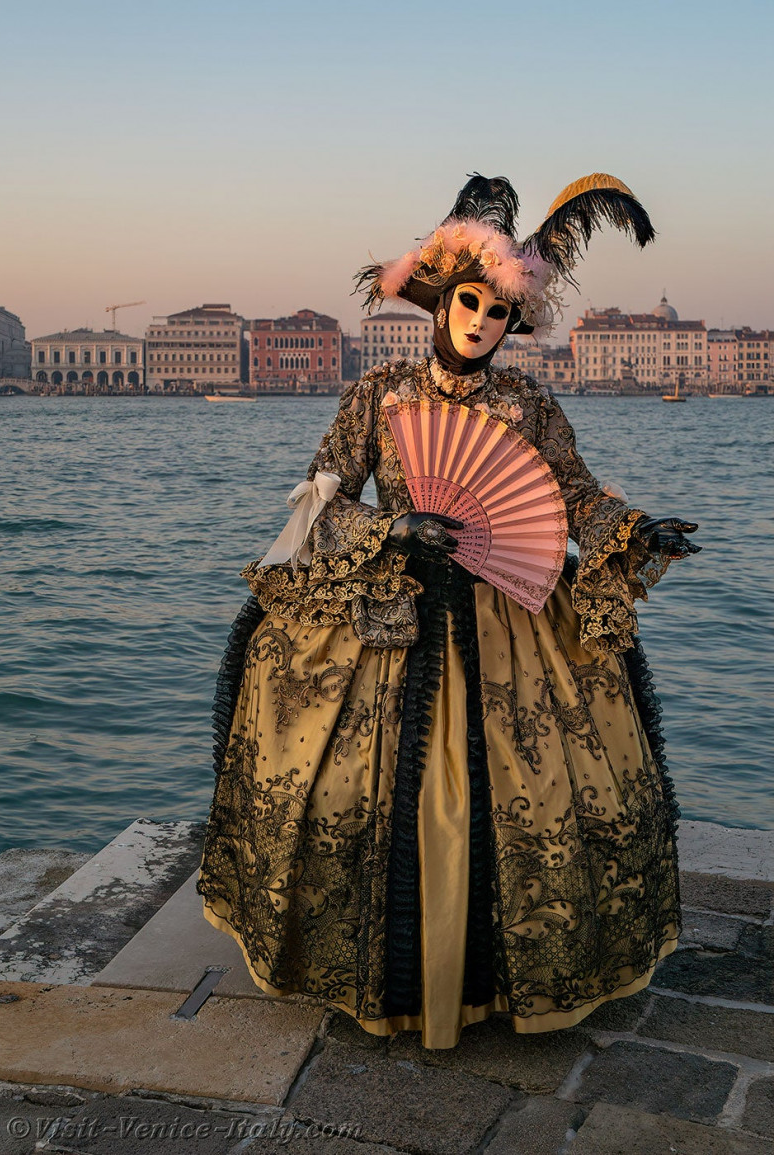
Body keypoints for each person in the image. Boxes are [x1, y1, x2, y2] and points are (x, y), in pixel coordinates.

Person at [197, 173, 700, 1049]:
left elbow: (577, 502)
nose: (482, 322)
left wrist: (634, 527)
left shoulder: (531, 407)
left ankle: (502, 982)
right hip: (391, 615)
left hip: (508, 615)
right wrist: (397, 526)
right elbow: (320, 501)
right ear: (441, 300)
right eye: (471, 302)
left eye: (501, 312)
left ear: (513, 323)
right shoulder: (380, 397)